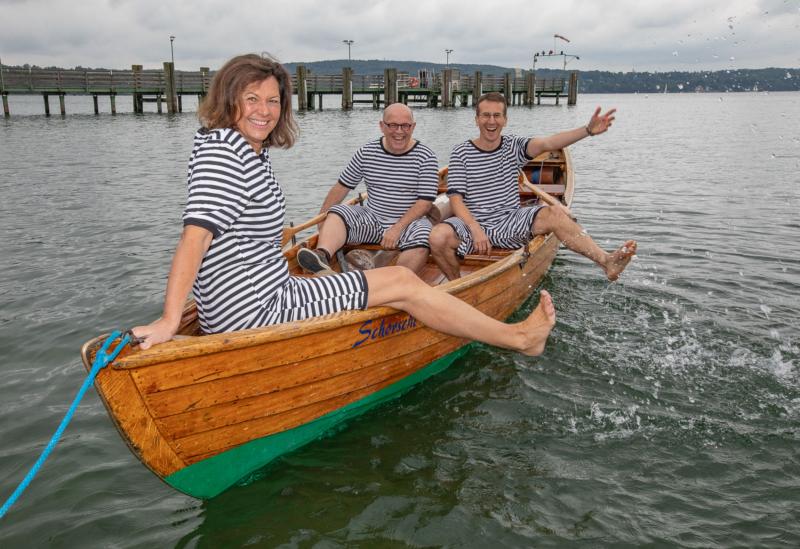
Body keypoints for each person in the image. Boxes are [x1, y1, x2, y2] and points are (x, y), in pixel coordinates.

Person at [131, 54, 556, 357]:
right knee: (404, 285)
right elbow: (196, 236)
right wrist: (170, 320)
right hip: (257, 308)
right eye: (252, 99)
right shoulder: (227, 150)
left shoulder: (239, 147)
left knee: (395, 277)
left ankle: (348, 269)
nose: (265, 111)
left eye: (274, 101)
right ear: (229, 98)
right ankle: (519, 338)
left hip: (256, 296)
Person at [429, 92, 637, 281]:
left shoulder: (514, 146)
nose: (491, 121)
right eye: (485, 115)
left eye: (496, 115)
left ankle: (607, 261)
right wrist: (475, 229)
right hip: (472, 223)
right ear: (476, 119)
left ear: (505, 120)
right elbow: (455, 199)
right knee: (437, 236)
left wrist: (587, 130)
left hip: (510, 220)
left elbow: (549, 143)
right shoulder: (461, 152)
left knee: (555, 214)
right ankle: (458, 285)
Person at [297, 103, 437, 275]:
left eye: (405, 126)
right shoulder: (366, 152)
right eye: (392, 125)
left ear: (413, 127)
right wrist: (322, 219)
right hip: (373, 219)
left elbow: (425, 203)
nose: (399, 131)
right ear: (382, 126)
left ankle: (395, 283)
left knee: (424, 236)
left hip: (408, 223)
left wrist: (397, 228)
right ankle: (322, 256)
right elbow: (342, 186)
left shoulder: (426, 157)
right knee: (337, 211)